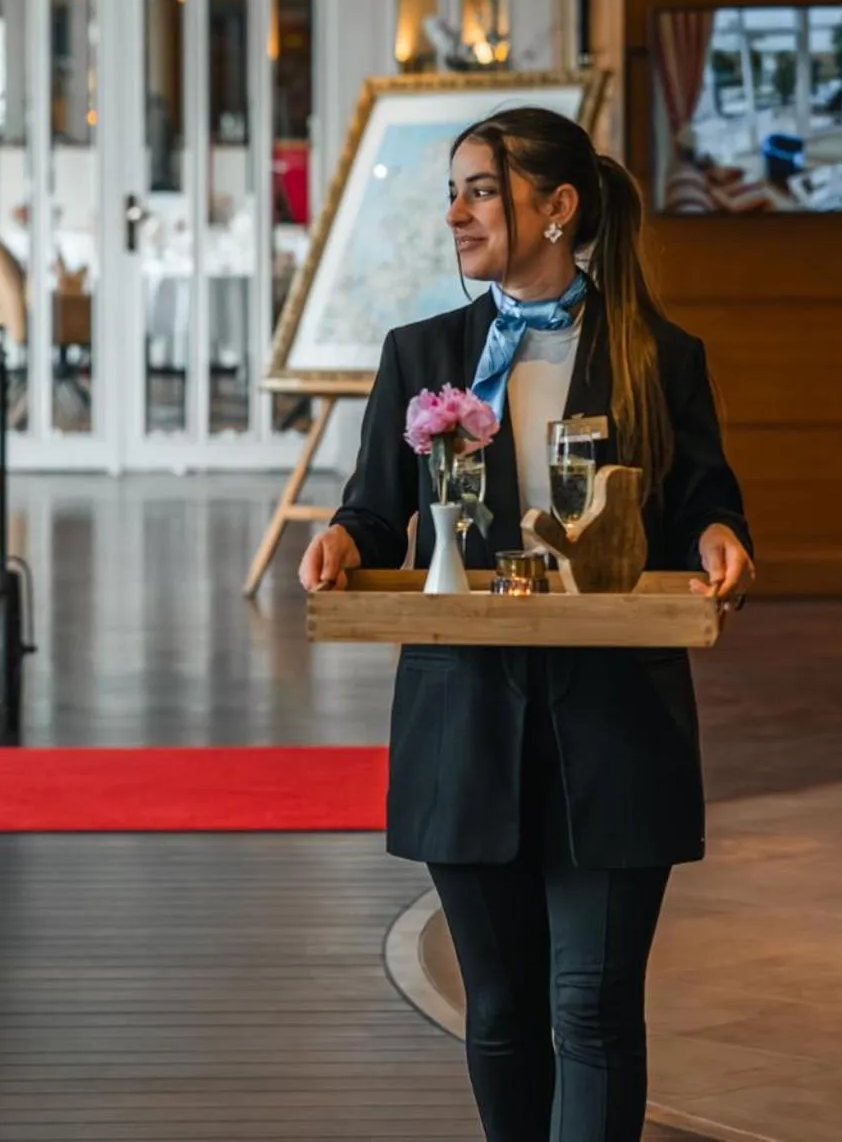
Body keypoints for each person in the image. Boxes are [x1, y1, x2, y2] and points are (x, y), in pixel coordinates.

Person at [299, 107, 753, 1141]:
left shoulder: (660, 357)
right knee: (501, 1010)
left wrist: (724, 536)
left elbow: (704, 507)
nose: (455, 212)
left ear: (557, 208)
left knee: (593, 1008)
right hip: (464, 719)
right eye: (451, 190)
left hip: (618, 723)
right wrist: (340, 542)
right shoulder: (420, 353)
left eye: (479, 188)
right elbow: (372, 510)